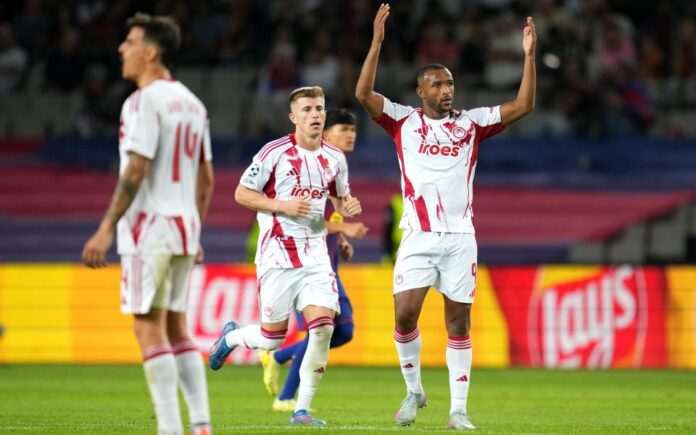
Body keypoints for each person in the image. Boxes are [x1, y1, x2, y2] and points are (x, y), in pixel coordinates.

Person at [355, 4, 537, 430]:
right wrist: (377, 42)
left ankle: (458, 410)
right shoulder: (402, 121)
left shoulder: (471, 124)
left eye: (450, 83)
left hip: (459, 237)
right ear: (420, 91)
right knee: (404, 314)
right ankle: (414, 390)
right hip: (417, 234)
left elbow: (524, 105)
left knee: (458, 321)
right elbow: (363, 95)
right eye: (437, 84)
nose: (446, 89)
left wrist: (529, 56)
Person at [81, 13, 214, 435]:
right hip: (183, 227)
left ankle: (170, 429)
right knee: (177, 327)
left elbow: (136, 169)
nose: (122, 48)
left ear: (151, 52)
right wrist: (195, 229)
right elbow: (206, 180)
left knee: (147, 326)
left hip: (148, 227)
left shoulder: (142, 101)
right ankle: (201, 425)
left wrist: (105, 228)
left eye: (131, 41)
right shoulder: (193, 104)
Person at [208, 86, 362, 426]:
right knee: (272, 337)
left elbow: (339, 197)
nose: (315, 114)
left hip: (316, 256)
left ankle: (300, 410)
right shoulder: (274, 152)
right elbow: (241, 193)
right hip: (277, 255)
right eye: (307, 109)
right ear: (294, 117)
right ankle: (231, 337)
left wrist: (347, 205)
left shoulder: (335, 158)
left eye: (319, 108)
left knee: (323, 329)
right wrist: (282, 205)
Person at [258, 108, 369, 412]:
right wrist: (343, 228)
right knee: (319, 331)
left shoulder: (335, 166)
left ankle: (278, 356)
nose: (351, 135)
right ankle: (286, 398)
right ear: (325, 133)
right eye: (344, 129)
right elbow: (306, 218)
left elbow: (329, 214)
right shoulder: (311, 166)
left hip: (328, 264)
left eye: (353, 129)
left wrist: (341, 240)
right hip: (301, 263)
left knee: (342, 331)